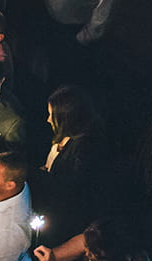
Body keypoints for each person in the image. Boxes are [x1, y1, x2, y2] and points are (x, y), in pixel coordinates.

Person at [35, 84, 109, 239]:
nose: (48, 119)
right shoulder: (65, 135)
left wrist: (42, 176)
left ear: (67, 118)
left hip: (60, 220)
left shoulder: (83, 152)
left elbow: (67, 190)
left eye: (52, 115)